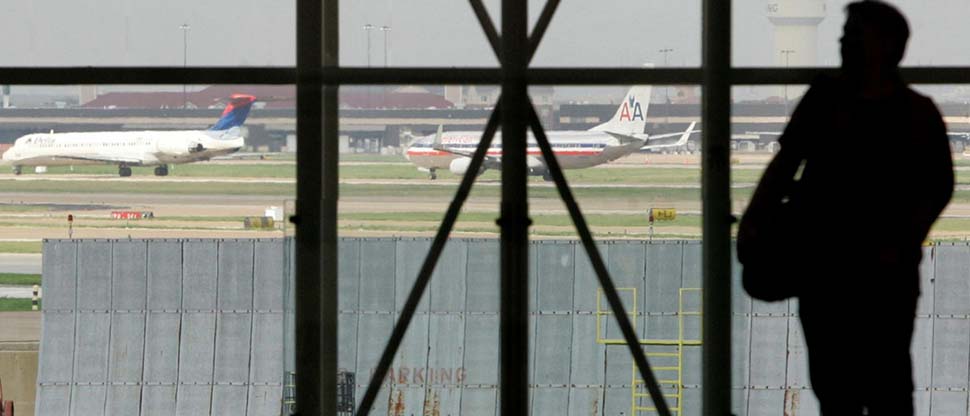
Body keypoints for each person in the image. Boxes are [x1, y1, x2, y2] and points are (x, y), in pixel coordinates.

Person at [740, 1, 954, 414]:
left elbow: (783, 167)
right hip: (863, 272)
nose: (842, 42)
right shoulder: (914, 111)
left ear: (886, 46)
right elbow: (939, 187)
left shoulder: (830, 102)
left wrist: (755, 223)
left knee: (864, 386)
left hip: (841, 270)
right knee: (855, 385)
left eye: (853, 34)